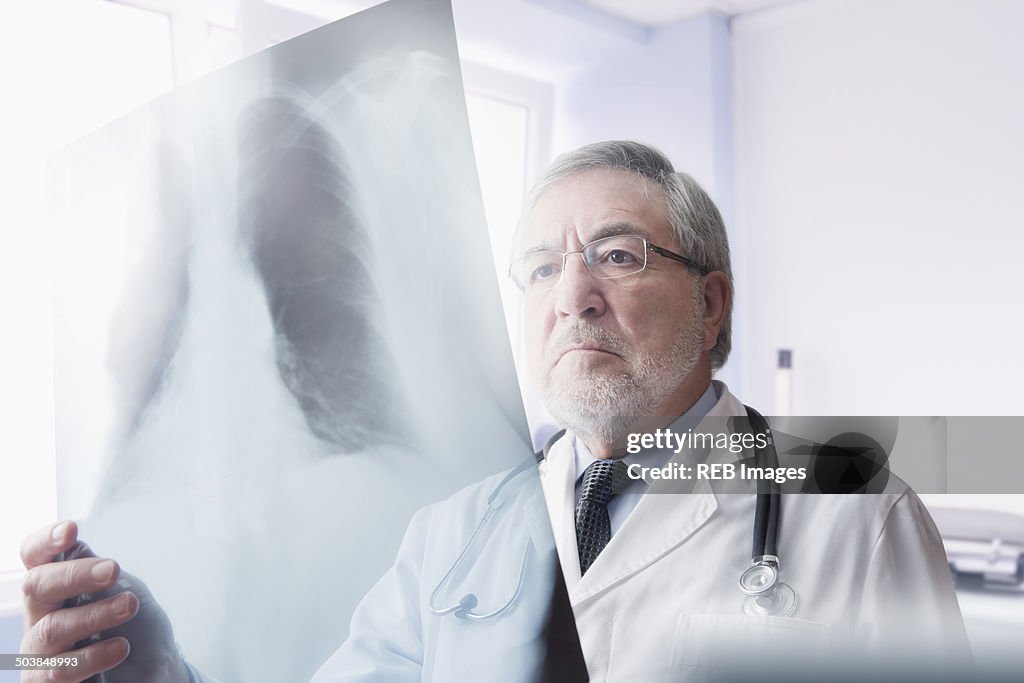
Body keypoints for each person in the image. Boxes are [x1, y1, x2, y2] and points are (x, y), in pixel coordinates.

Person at [20, 141, 969, 682]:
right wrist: (150, 669)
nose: (575, 295)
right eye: (544, 268)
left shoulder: (858, 515)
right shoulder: (455, 533)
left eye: (619, 254)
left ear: (712, 301)